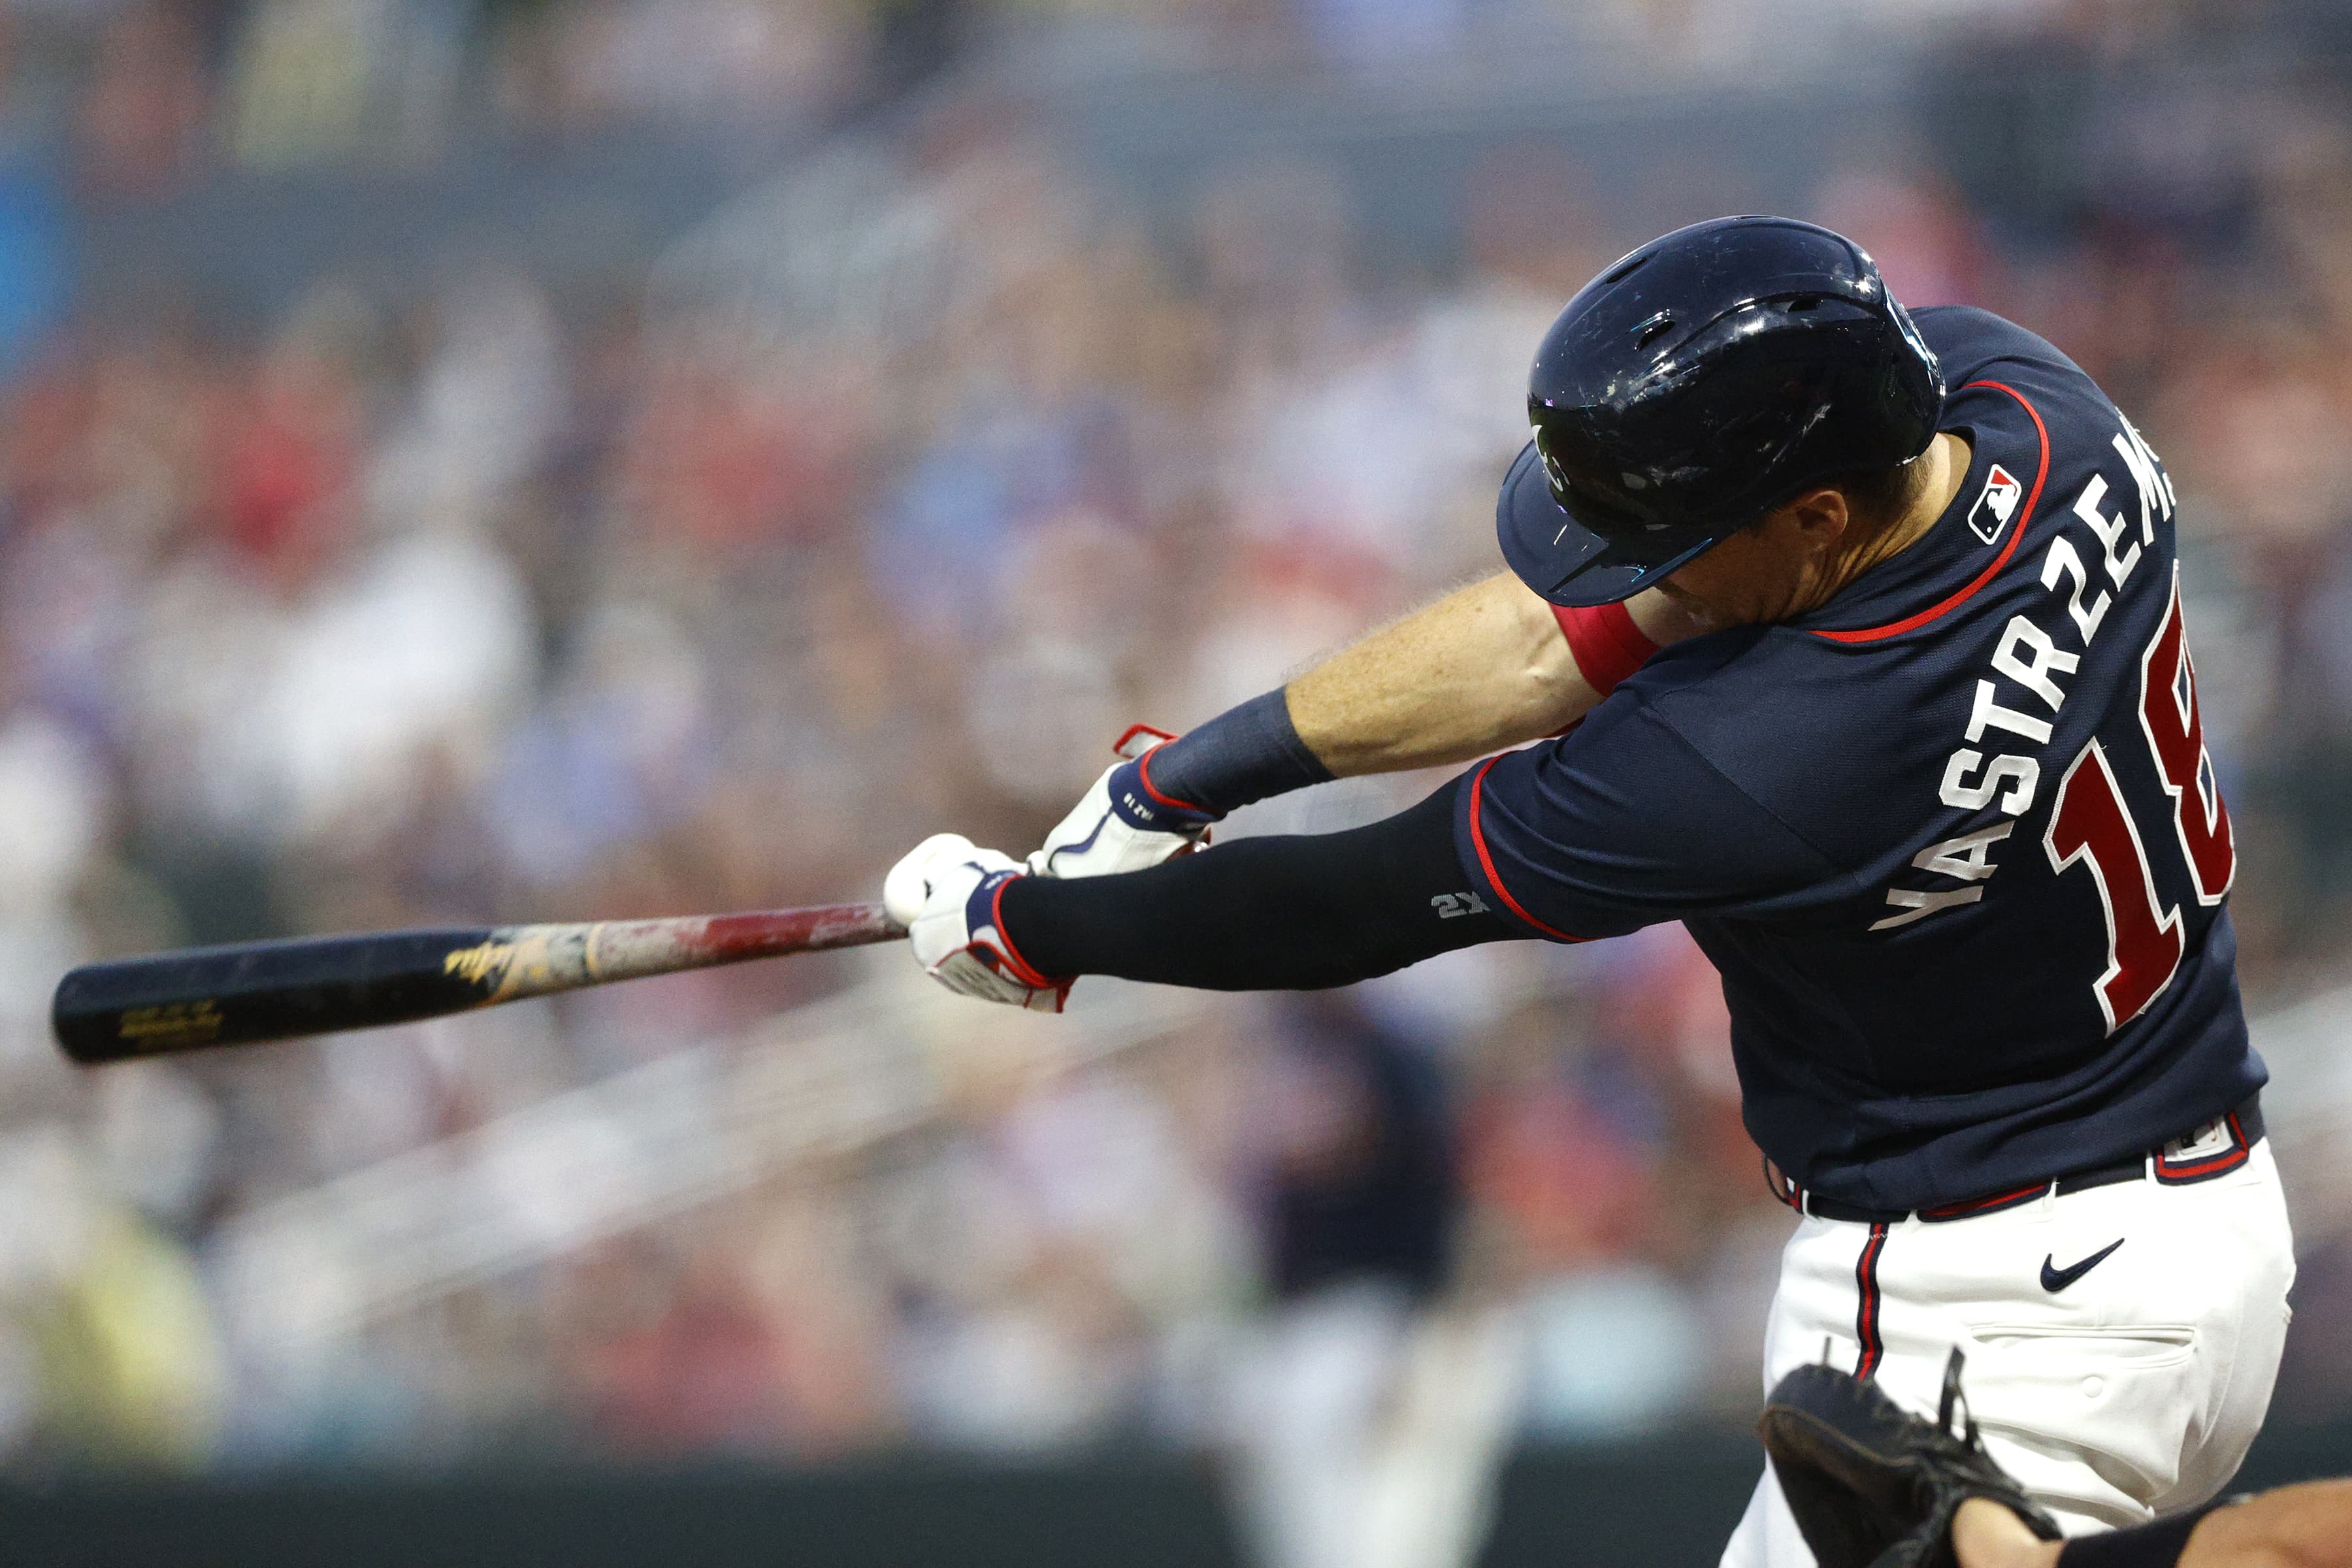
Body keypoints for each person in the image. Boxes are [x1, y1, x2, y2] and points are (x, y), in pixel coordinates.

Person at [882, 216, 2295, 1563]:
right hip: (2202, 1231)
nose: (1639, 572)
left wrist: (1038, 927)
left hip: (1995, 1317)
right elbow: (1547, 642)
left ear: (1813, 514)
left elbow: (1364, 898)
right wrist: (1179, 781)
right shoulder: (2034, 407)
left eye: (1679, 539)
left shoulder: (1771, 758)